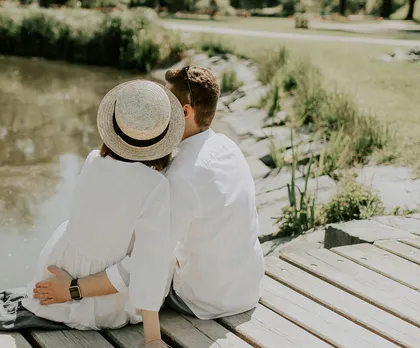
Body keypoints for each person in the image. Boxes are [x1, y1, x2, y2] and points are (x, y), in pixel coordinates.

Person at [33, 66, 264, 321]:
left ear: (185, 112)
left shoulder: (180, 177)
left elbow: (142, 264)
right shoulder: (228, 147)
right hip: (247, 289)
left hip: (203, 300)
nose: (156, 109)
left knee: (135, 243)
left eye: (164, 103)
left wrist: (72, 289)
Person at [18, 79, 184, 348]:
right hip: (104, 306)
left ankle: (75, 288)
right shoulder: (155, 185)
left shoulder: (94, 159)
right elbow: (149, 262)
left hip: (60, 273)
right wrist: (153, 338)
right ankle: (80, 291)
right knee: (163, 251)